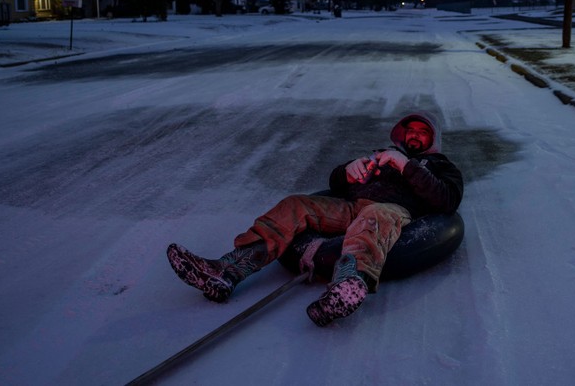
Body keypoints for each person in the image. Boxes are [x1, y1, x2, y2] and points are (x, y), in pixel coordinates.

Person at [166, 112, 463, 326]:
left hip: (395, 212)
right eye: (409, 130)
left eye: (421, 131)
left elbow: (446, 199)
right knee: (296, 205)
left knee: (375, 215)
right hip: (351, 206)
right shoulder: (381, 156)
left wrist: (407, 166)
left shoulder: (440, 165)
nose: (414, 134)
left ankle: (348, 284)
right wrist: (347, 170)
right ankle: (227, 270)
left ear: (433, 138)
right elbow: (336, 184)